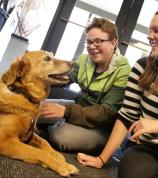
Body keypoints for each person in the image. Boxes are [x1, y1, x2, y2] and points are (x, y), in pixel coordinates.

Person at [77, 7, 158, 178]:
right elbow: (126, 116)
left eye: (157, 30)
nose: (149, 36)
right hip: (145, 145)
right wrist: (101, 159)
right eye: (149, 31)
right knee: (132, 173)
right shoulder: (142, 67)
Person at [40, 17, 131, 153]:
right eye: (88, 42)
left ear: (114, 43)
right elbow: (65, 78)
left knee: (61, 136)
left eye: (98, 41)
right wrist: (42, 74)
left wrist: (66, 112)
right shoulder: (84, 59)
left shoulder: (124, 71)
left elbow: (106, 113)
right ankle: (44, 127)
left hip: (101, 126)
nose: (92, 46)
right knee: (35, 108)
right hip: (77, 110)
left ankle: (41, 130)